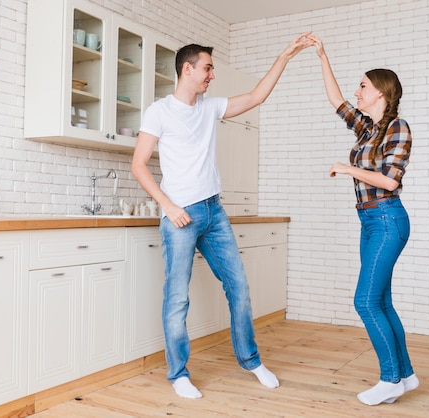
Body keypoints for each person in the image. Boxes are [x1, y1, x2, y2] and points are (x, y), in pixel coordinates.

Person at [131, 34, 313, 399]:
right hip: (180, 215)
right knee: (177, 297)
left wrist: (286, 53)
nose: (211, 75)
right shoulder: (159, 111)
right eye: (208, 68)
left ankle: (251, 360)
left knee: (240, 288)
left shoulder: (209, 107)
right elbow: (138, 165)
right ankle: (178, 373)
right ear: (188, 69)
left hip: (214, 211)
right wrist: (168, 206)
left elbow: (257, 96)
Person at [310, 34, 419, 406]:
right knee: (382, 301)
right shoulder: (367, 129)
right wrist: (323, 54)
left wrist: (347, 168)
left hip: (388, 220)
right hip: (370, 222)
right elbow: (335, 100)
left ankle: (389, 378)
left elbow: (390, 180)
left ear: (380, 92)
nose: (358, 92)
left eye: (363, 86)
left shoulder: (397, 127)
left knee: (365, 302)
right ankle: (404, 376)